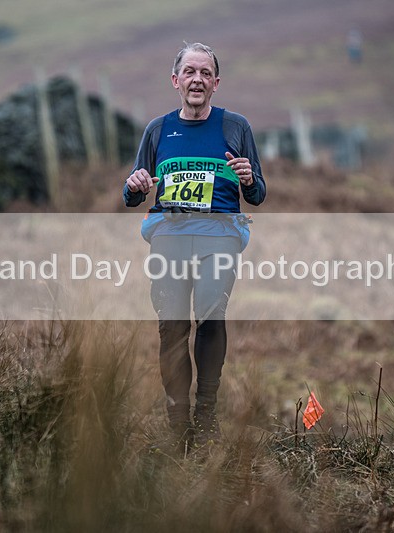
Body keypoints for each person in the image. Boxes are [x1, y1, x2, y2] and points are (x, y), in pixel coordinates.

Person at [123, 42, 266, 452]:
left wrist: (248, 178)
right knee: (171, 327)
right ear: (176, 80)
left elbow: (258, 194)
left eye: (205, 73)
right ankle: (176, 423)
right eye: (190, 72)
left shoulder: (236, 127)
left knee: (210, 315)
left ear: (216, 83)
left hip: (219, 233)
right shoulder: (157, 129)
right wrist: (133, 186)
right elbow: (132, 193)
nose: (197, 80)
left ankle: (205, 417)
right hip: (168, 233)